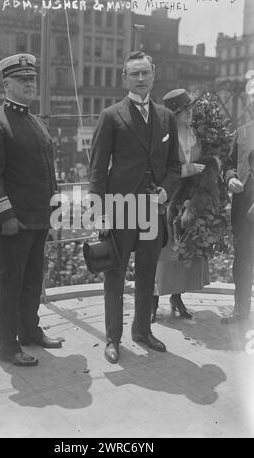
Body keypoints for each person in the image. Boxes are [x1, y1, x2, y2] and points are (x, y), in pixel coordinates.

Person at [89, 51, 181, 363]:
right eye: (134, 74)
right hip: (120, 206)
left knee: (146, 272)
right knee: (114, 274)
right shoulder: (112, 115)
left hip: (153, 208)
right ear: (124, 78)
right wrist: (99, 213)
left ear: (154, 74)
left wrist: (165, 194)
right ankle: (112, 338)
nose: (140, 79)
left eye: (145, 73)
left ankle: (142, 330)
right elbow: (98, 169)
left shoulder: (166, 116)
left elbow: (175, 166)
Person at [0, 54, 63, 367]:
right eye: (22, 80)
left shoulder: (36, 121)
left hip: (38, 218)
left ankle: (29, 332)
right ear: (6, 83)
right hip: (14, 222)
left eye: (32, 79)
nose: (30, 84)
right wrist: (5, 217)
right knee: (10, 283)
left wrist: (55, 206)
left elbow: (47, 170)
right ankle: (7, 346)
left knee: (32, 280)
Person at [152, 89, 209, 322]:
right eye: (184, 110)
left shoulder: (195, 133)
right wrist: (185, 170)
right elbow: (156, 169)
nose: (190, 113)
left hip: (189, 198)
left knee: (184, 249)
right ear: (173, 115)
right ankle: (152, 302)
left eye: (190, 108)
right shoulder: (162, 137)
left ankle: (177, 296)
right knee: (162, 252)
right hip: (167, 199)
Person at [221, 120, 254, 324]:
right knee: (242, 259)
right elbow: (229, 163)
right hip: (244, 203)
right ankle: (241, 310)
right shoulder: (242, 132)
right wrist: (230, 177)